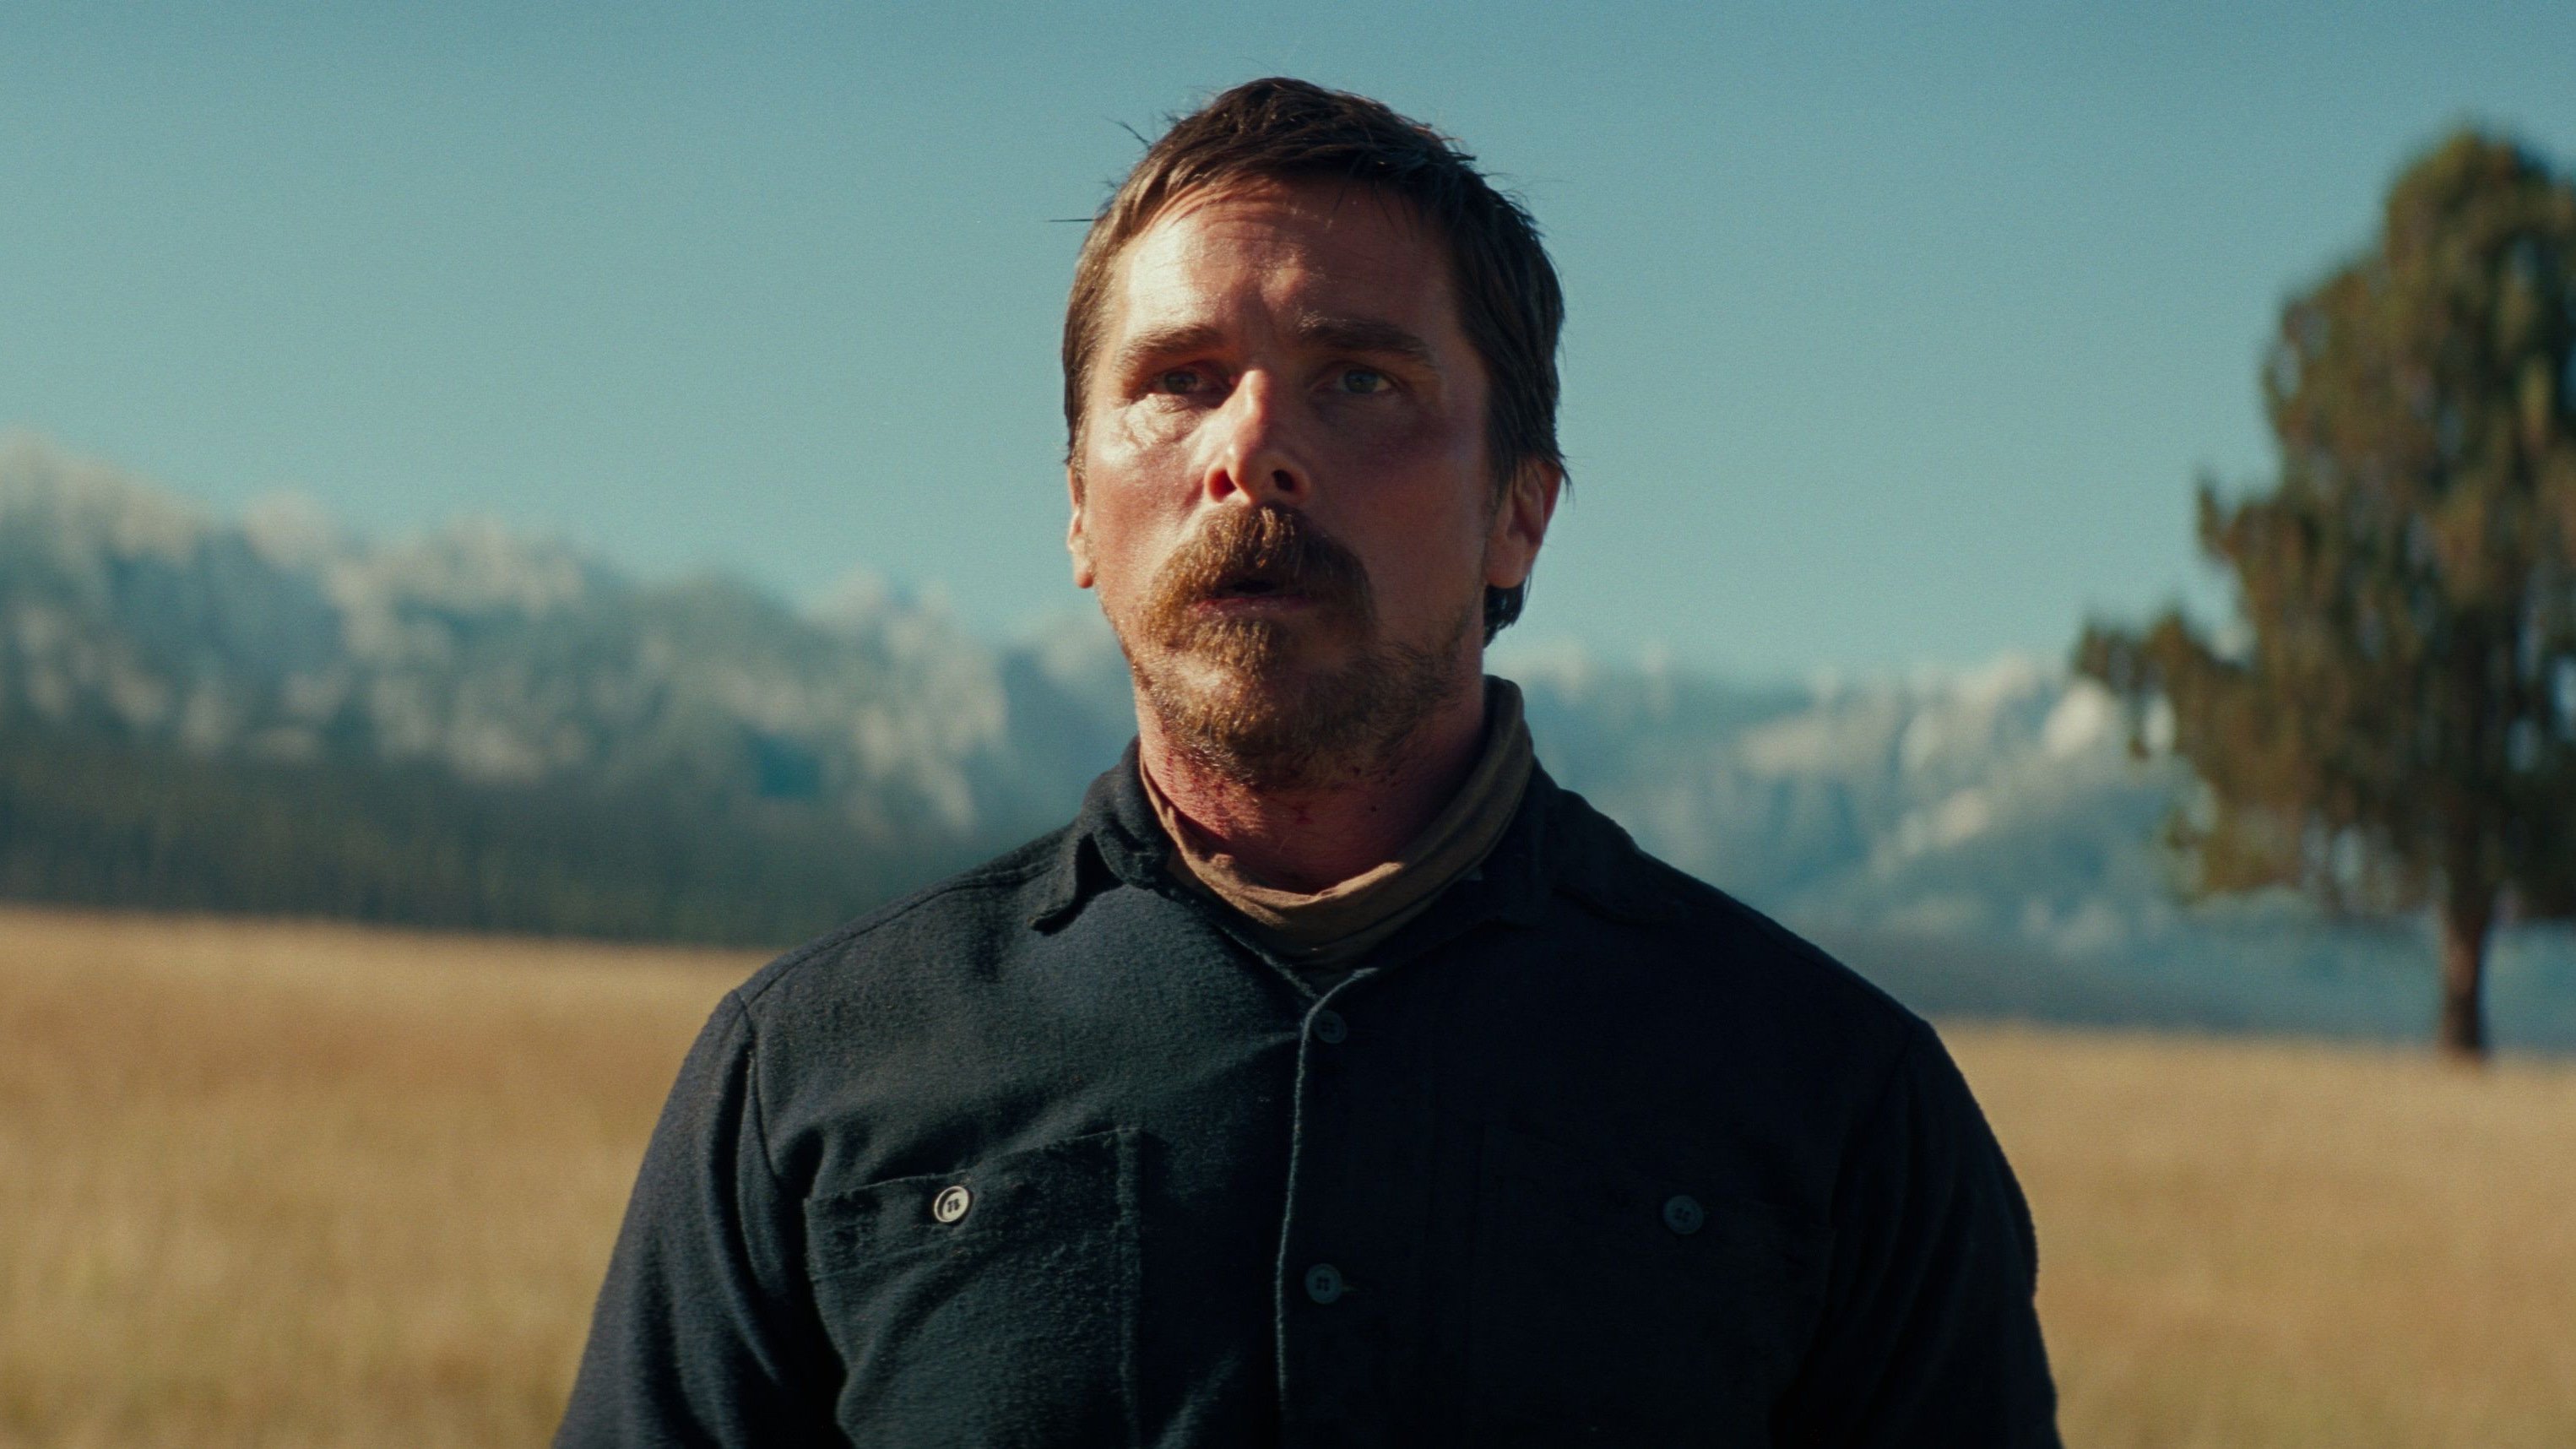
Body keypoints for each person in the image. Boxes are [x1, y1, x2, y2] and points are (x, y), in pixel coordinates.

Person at [556, 77, 2060, 1447]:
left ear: (1519, 514)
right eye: (1180, 378)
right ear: (1077, 510)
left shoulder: (1836, 1103)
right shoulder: (809, 1074)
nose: (1252, 450)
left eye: (1359, 380)